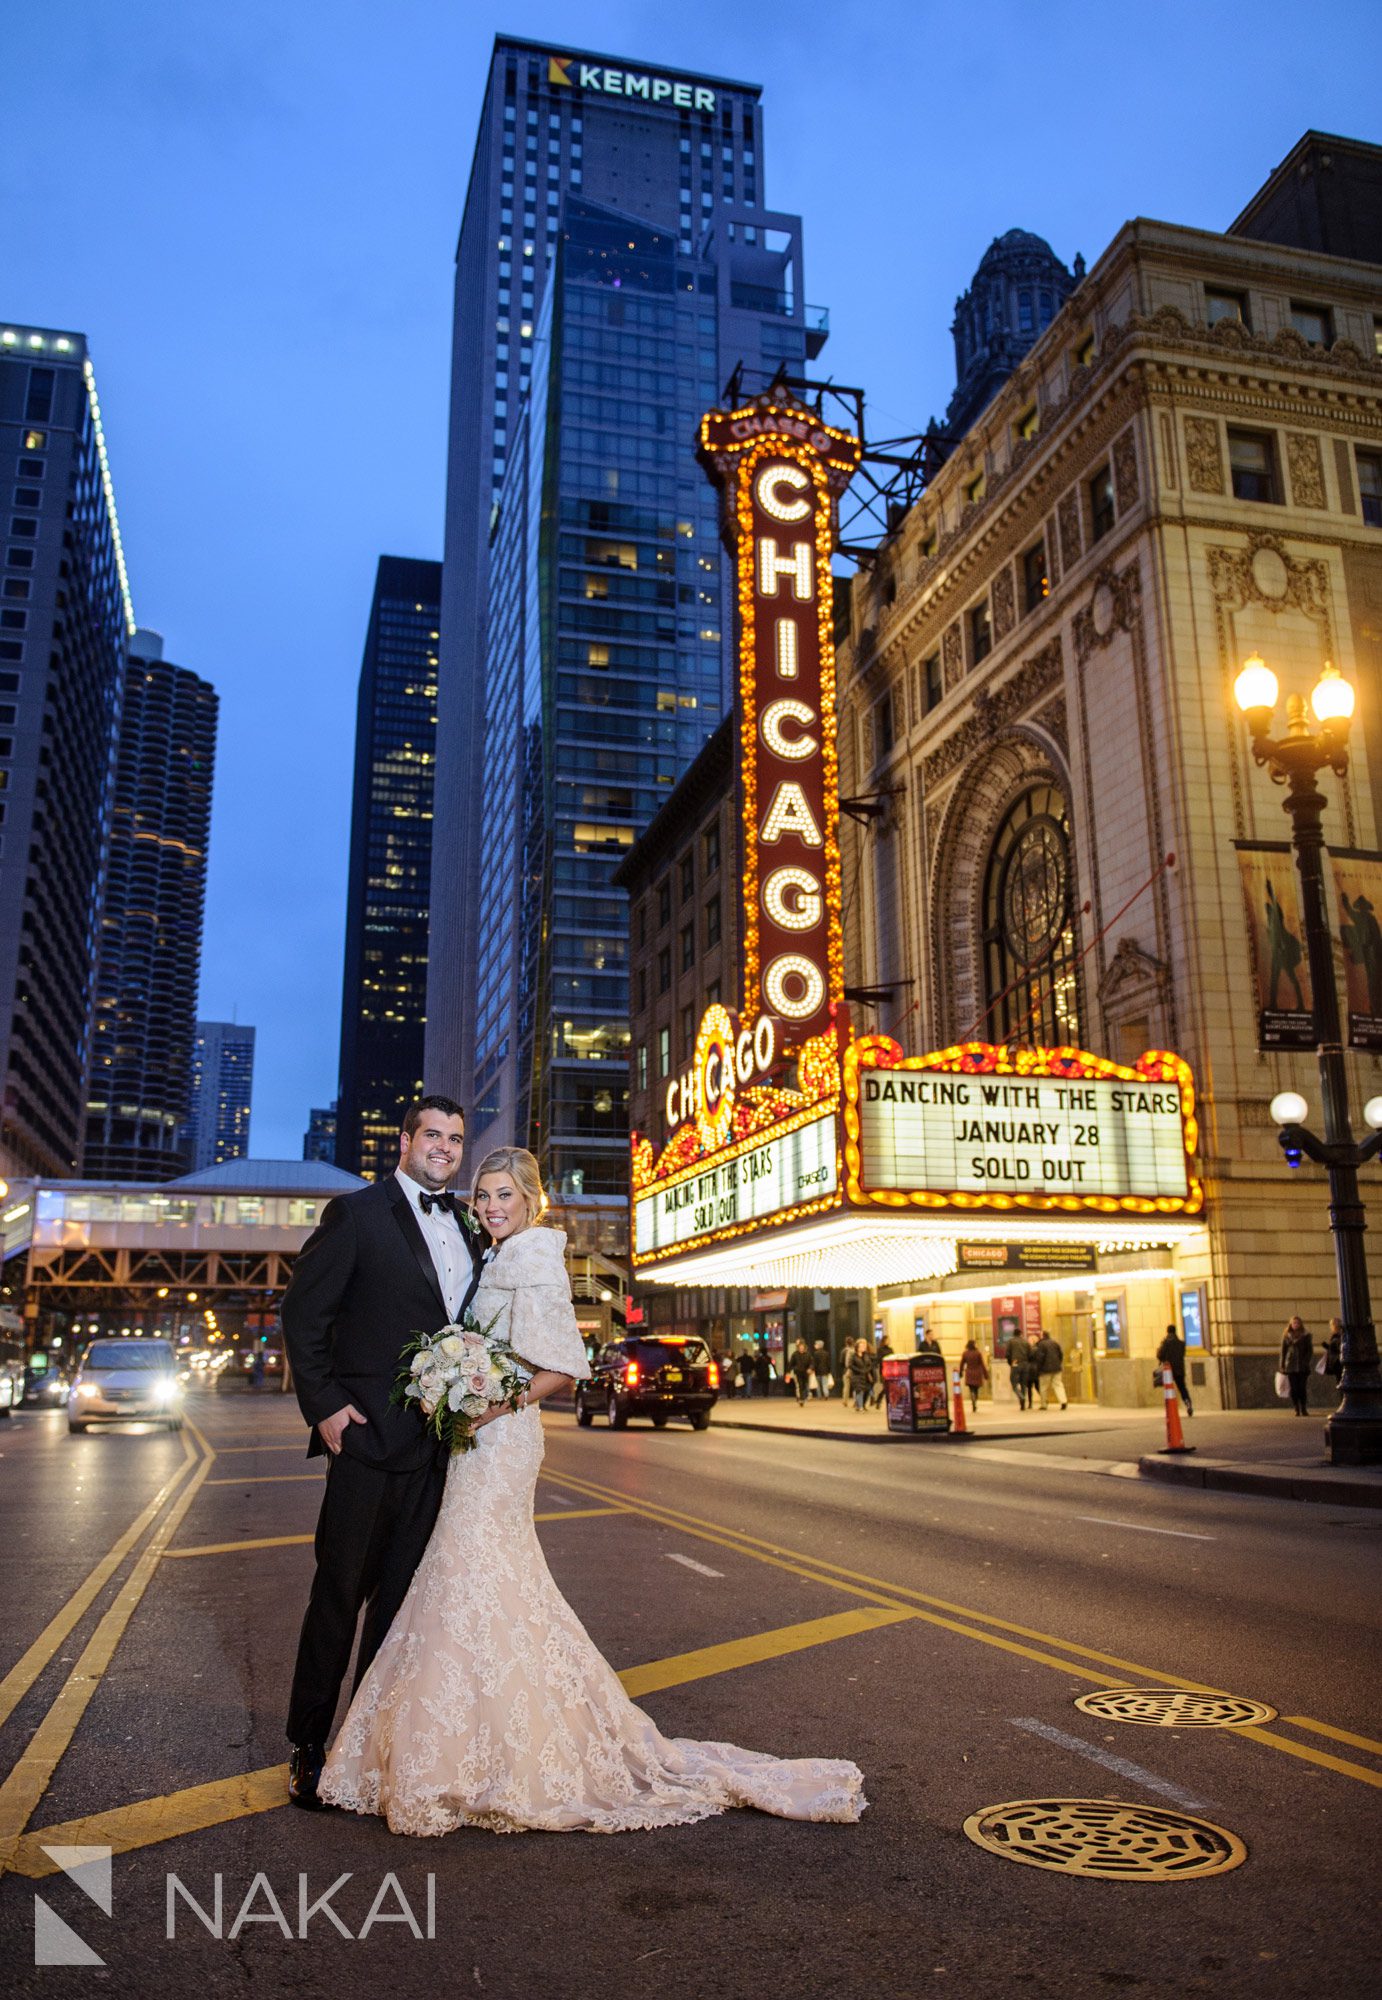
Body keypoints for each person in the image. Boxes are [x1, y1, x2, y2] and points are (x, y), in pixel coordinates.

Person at [318, 1147, 865, 1834]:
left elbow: (563, 1369)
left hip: (502, 1438)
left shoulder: (535, 1257)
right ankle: (476, 1746)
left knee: (472, 1570)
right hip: (473, 1440)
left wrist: (487, 1402)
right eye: (483, 1195)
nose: (490, 1207)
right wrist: (449, 1381)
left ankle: (490, 1754)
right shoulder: (495, 1255)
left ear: (531, 1202)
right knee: (475, 1577)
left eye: (504, 1197)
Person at [280, 1094, 485, 1810]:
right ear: (404, 1140)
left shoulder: (467, 1223)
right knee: (338, 1597)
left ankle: (364, 1744)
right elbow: (304, 1315)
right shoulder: (357, 1215)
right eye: (432, 1135)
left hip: (439, 1451)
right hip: (367, 1441)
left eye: (455, 1140)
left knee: (400, 1610)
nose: (444, 1148)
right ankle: (307, 1745)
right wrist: (327, 1406)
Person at [1155, 1322, 1194, 1416]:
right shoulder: (1181, 1343)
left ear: (1167, 1332)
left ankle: (1171, 1408)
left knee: (1169, 1389)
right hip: (1179, 1369)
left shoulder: (1165, 1343)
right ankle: (1187, 1402)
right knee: (1182, 1388)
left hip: (1169, 1370)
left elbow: (1160, 1355)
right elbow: (1182, 1354)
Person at [1280, 1315, 1314, 1416]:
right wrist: (1282, 1365)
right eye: (1294, 1323)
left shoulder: (1306, 1335)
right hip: (1290, 1366)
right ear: (1291, 1324)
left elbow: (1310, 1351)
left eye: (1297, 1323)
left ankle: (1303, 1407)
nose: (1296, 1325)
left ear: (1300, 1324)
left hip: (1303, 1367)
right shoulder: (1287, 1336)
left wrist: (1306, 1361)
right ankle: (1296, 1407)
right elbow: (1283, 1351)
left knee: (1302, 1388)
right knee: (1294, 1389)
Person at [1033, 1329, 1067, 1411]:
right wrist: (1058, 1363)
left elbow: (1040, 1358)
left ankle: (1044, 1404)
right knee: (1058, 1385)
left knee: (1043, 1387)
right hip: (1057, 1368)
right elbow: (1061, 1355)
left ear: (1042, 1336)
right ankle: (1063, 1401)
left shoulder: (1041, 1345)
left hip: (1045, 1370)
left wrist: (1039, 1369)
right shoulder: (1055, 1343)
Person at [1004, 1326, 1031, 1411]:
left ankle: (1021, 1397)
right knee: (1024, 1384)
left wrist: (1010, 1363)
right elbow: (1030, 1354)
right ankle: (1022, 1403)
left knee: (1014, 1383)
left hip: (1015, 1363)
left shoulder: (1010, 1342)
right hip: (1025, 1364)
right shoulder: (1026, 1342)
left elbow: (1007, 1354)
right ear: (1021, 1334)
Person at [959, 1338, 989, 1414]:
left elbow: (962, 1363)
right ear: (974, 1345)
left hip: (969, 1372)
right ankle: (975, 1399)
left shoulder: (965, 1353)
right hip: (977, 1373)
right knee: (976, 1389)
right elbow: (982, 1364)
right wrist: (986, 1374)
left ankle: (972, 1396)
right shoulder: (978, 1353)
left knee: (971, 1388)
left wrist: (961, 1372)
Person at [847, 1338, 876, 1412]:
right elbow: (850, 1365)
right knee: (859, 1391)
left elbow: (870, 1364)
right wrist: (859, 1370)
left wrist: (867, 1370)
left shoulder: (866, 1356)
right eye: (862, 1347)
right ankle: (860, 1407)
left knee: (866, 1391)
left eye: (864, 1347)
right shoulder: (853, 1356)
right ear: (857, 1348)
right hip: (857, 1376)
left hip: (865, 1376)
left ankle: (862, 1405)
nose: (864, 1348)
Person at [870, 1333, 894, 1408]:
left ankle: (879, 1400)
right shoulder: (880, 1349)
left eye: (889, 1340)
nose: (889, 1341)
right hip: (884, 1370)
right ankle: (879, 1400)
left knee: (888, 1387)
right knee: (886, 1386)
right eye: (887, 1340)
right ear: (884, 1341)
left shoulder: (891, 1349)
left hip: (891, 1370)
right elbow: (878, 1359)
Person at [787, 1338, 813, 1407]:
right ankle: (801, 1399)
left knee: (804, 1385)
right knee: (800, 1385)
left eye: (802, 1348)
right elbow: (791, 1363)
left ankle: (803, 1397)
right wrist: (789, 1371)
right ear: (798, 1348)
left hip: (805, 1372)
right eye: (800, 1348)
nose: (801, 1349)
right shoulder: (795, 1354)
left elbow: (811, 1363)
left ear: (804, 1348)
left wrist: (810, 1368)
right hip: (798, 1372)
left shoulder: (808, 1354)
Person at [1323, 1317, 1344, 1385]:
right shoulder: (1337, 1335)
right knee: (1340, 1380)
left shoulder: (1338, 1335)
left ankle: (1343, 1395)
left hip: (1338, 1361)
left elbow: (1337, 1348)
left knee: (1340, 1381)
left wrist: (1328, 1346)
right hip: (1338, 1361)